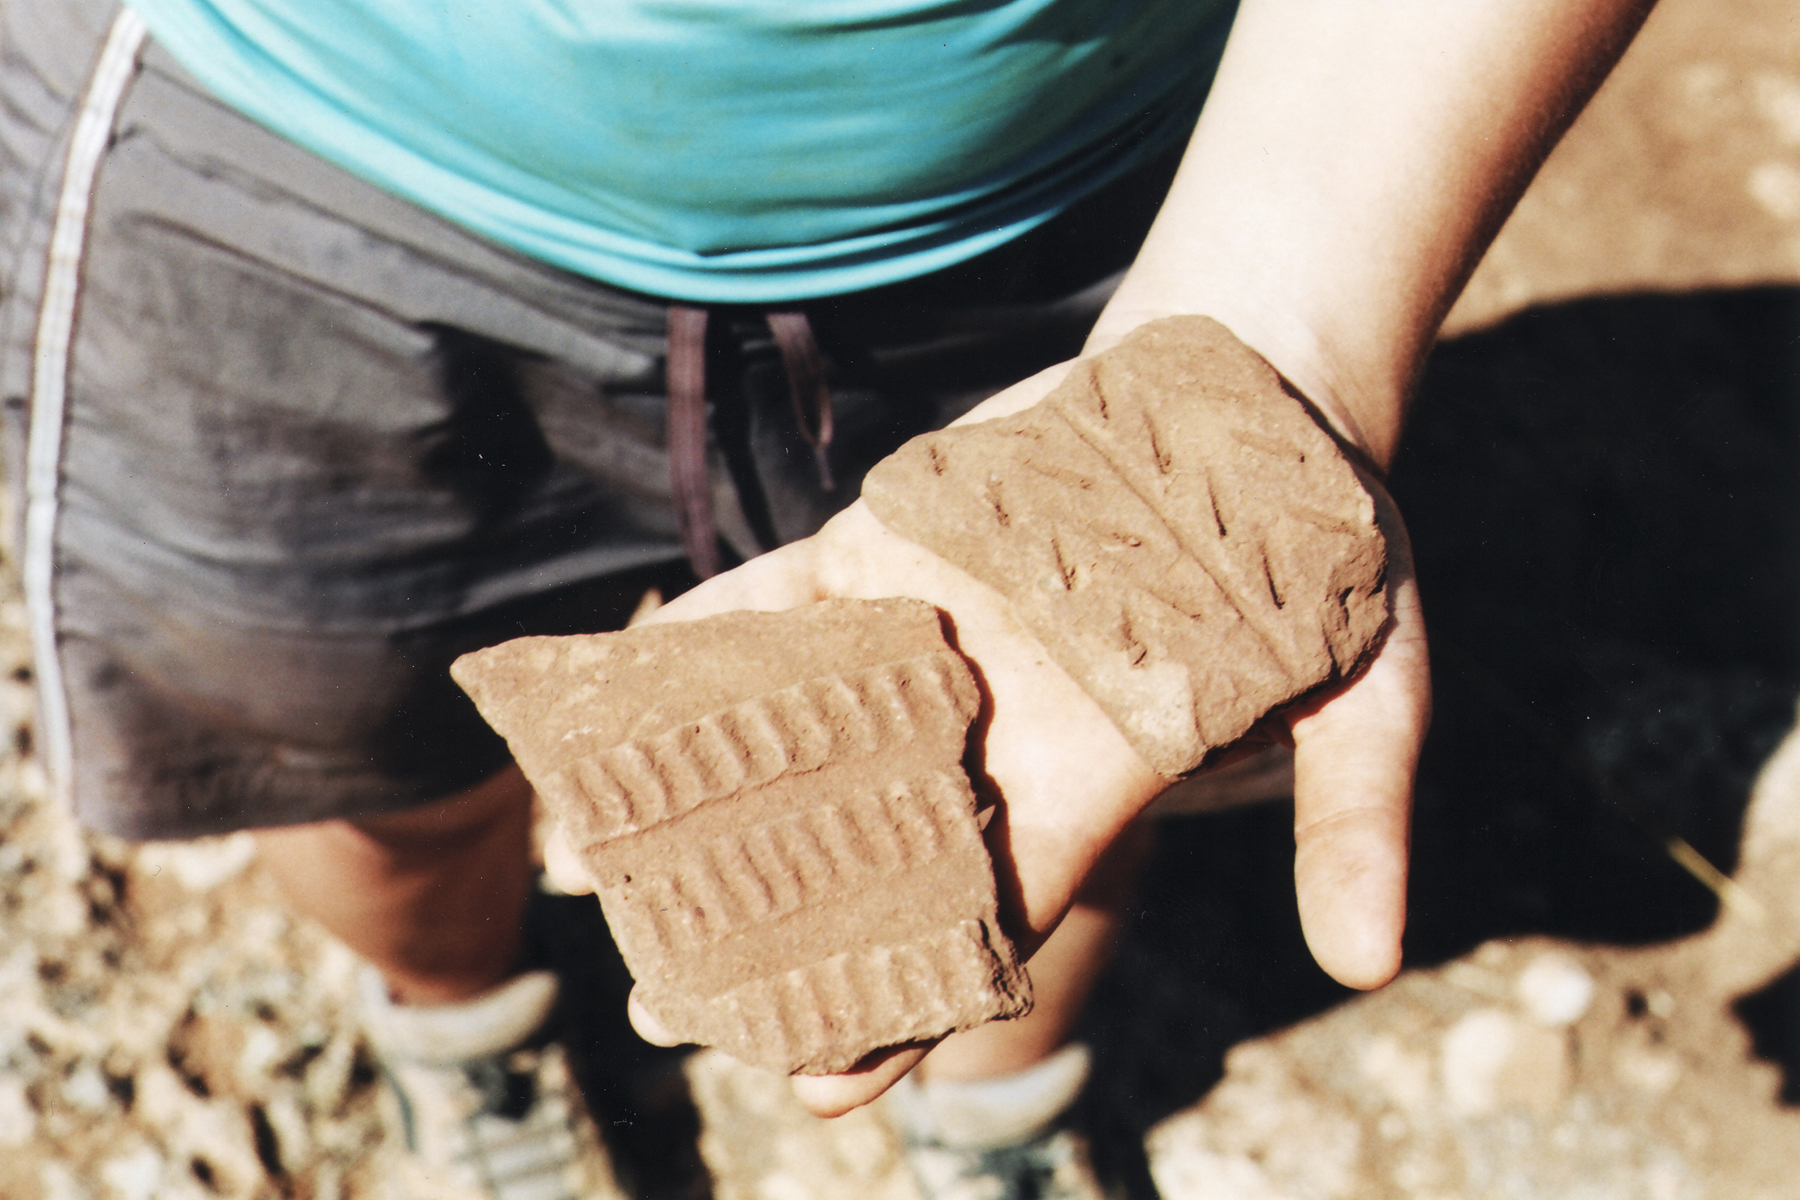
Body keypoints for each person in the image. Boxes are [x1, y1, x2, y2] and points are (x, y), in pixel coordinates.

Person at [0, 1, 1655, 1196]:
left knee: (1079, 745)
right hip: (270, 139)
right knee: (360, 756)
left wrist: (1279, 323)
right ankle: (463, 1032)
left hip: (1066, 173)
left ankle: (993, 1116)